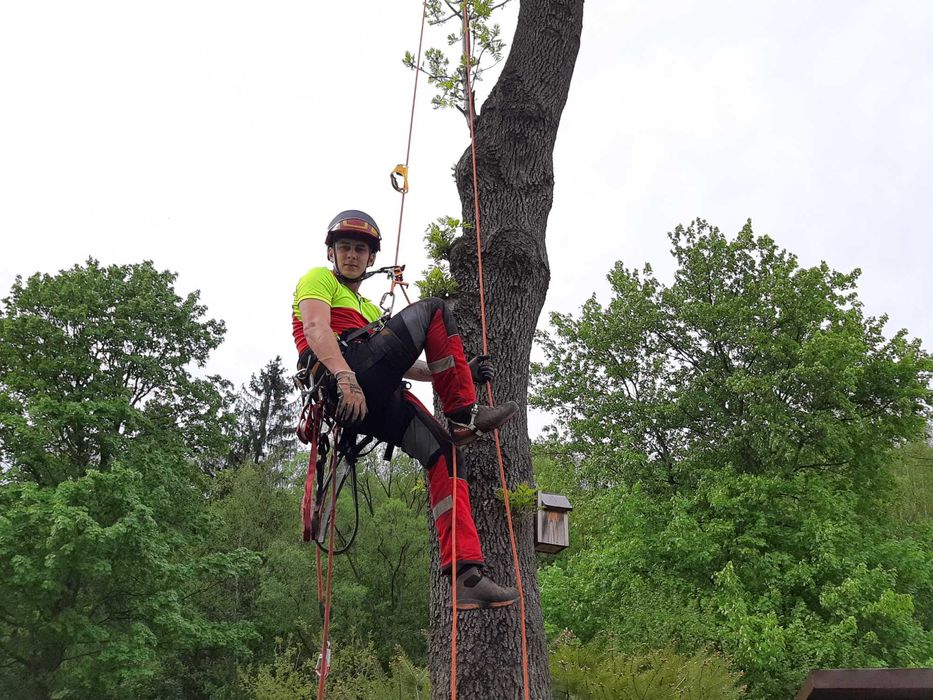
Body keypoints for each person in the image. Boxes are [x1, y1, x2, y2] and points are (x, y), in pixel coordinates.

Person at [292, 209, 520, 610]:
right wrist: (345, 378)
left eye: (359, 249)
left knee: (447, 457)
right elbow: (316, 330)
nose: (351, 255)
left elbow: (406, 363)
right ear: (332, 252)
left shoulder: (364, 306)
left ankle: (466, 575)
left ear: (370, 258)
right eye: (344, 247)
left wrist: (461, 370)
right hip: (346, 378)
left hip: (374, 393)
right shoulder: (319, 279)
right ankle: (464, 414)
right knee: (433, 309)